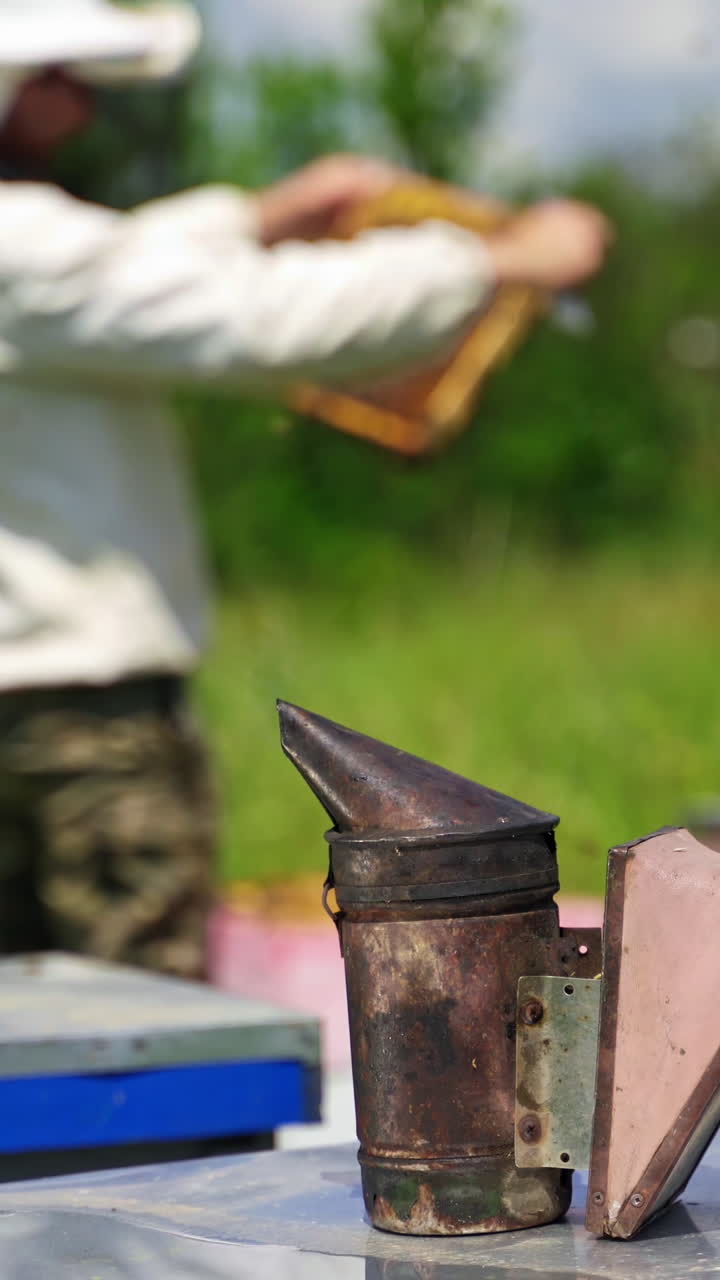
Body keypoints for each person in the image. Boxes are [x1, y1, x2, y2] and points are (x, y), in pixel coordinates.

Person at [0, 0, 610, 981]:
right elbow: (261, 317)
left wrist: (255, 215)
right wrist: (501, 259)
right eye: (59, 83)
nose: (79, 111)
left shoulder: (33, 257)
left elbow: (108, 274)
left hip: (37, 706)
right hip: (78, 727)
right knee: (137, 1028)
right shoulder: (21, 245)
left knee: (34, 1044)